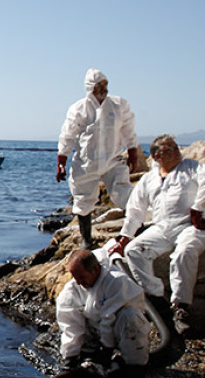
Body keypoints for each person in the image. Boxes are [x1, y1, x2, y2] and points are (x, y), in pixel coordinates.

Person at [109, 134, 205, 334]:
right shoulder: (149, 179)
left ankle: (181, 307)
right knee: (134, 250)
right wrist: (125, 236)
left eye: (176, 147)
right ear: (158, 156)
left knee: (183, 253)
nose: (177, 151)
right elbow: (135, 209)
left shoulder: (192, 168)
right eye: (170, 149)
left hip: (193, 225)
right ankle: (156, 299)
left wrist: (198, 208)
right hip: (163, 227)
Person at [57, 69, 144, 249]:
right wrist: (61, 162)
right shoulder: (78, 108)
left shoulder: (119, 105)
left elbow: (128, 130)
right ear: (90, 87)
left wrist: (133, 152)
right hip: (86, 162)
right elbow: (67, 136)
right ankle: (86, 240)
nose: (103, 88)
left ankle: (138, 230)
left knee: (125, 194)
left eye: (105, 84)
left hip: (114, 160)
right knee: (82, 199)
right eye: (99, 85)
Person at [55, 248, 150, 378]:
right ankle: (90, 359)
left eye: (81, 277)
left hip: (120, 330)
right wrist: (70, 359)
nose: (78, 282)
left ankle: (134, 366)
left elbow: (108, 318)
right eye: (74, 277)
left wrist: (107, 349)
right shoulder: (71, 291)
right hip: (95, 333)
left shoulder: (116, 282)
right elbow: (70, 326)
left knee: (131, 316)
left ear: (95, 270)